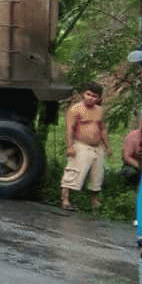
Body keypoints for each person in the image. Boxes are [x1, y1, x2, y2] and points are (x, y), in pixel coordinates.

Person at [59, 83, 110, 212]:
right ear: (83, 94)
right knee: (73, 172)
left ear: (98, 98)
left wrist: (107, 147)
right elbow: (69, 129)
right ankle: (65, 199)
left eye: (94, 96)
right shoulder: (75, 109)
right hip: (81, 145)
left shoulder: (100, 111)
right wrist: (69, 146)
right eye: (88, 94)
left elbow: (103, 129)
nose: (90, 98)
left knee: (97, 176)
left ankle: (95, 202)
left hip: (97, 147)